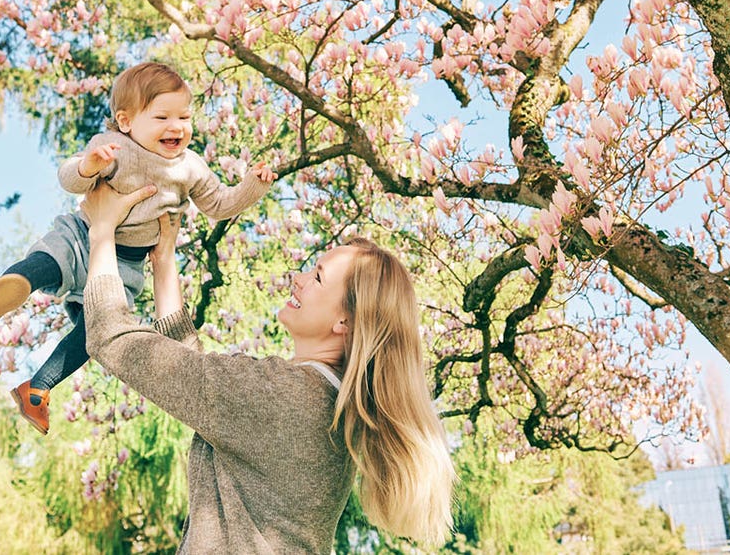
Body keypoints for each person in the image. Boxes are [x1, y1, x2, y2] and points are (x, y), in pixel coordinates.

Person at [79, 180, 456, 551]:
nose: (298, 279)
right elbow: (195, 380)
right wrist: (164, 261)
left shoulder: (284, 396)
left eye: (318, 277)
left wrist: (102, 231)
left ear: (346, 322)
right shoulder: (327, 405)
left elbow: (112, 338)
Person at [0, 61, 273, 434]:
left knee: (97, 331)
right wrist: (88, 166)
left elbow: (219, 205)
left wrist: (252, 186)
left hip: (124, 266)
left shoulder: (191, 167)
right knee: (52, 259)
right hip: (84, 234)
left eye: (184, 116)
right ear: (126, 121)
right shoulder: (114, 148)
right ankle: (11, 287)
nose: (176, 126)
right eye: (162, 116)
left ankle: (37, 389)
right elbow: (70, 180)